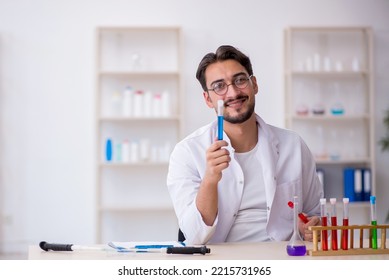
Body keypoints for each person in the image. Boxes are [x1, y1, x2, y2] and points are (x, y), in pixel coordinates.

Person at [167, 45, 323, 245]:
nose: (232, 93)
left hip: (283, 258)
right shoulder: (187, 152)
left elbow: (314, 215)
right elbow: (194, 236)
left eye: (240, 80)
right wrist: (210, 180)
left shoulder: (293, 146)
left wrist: (309, 227)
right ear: (208, 99)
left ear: (254, 85)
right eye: (219, 86)